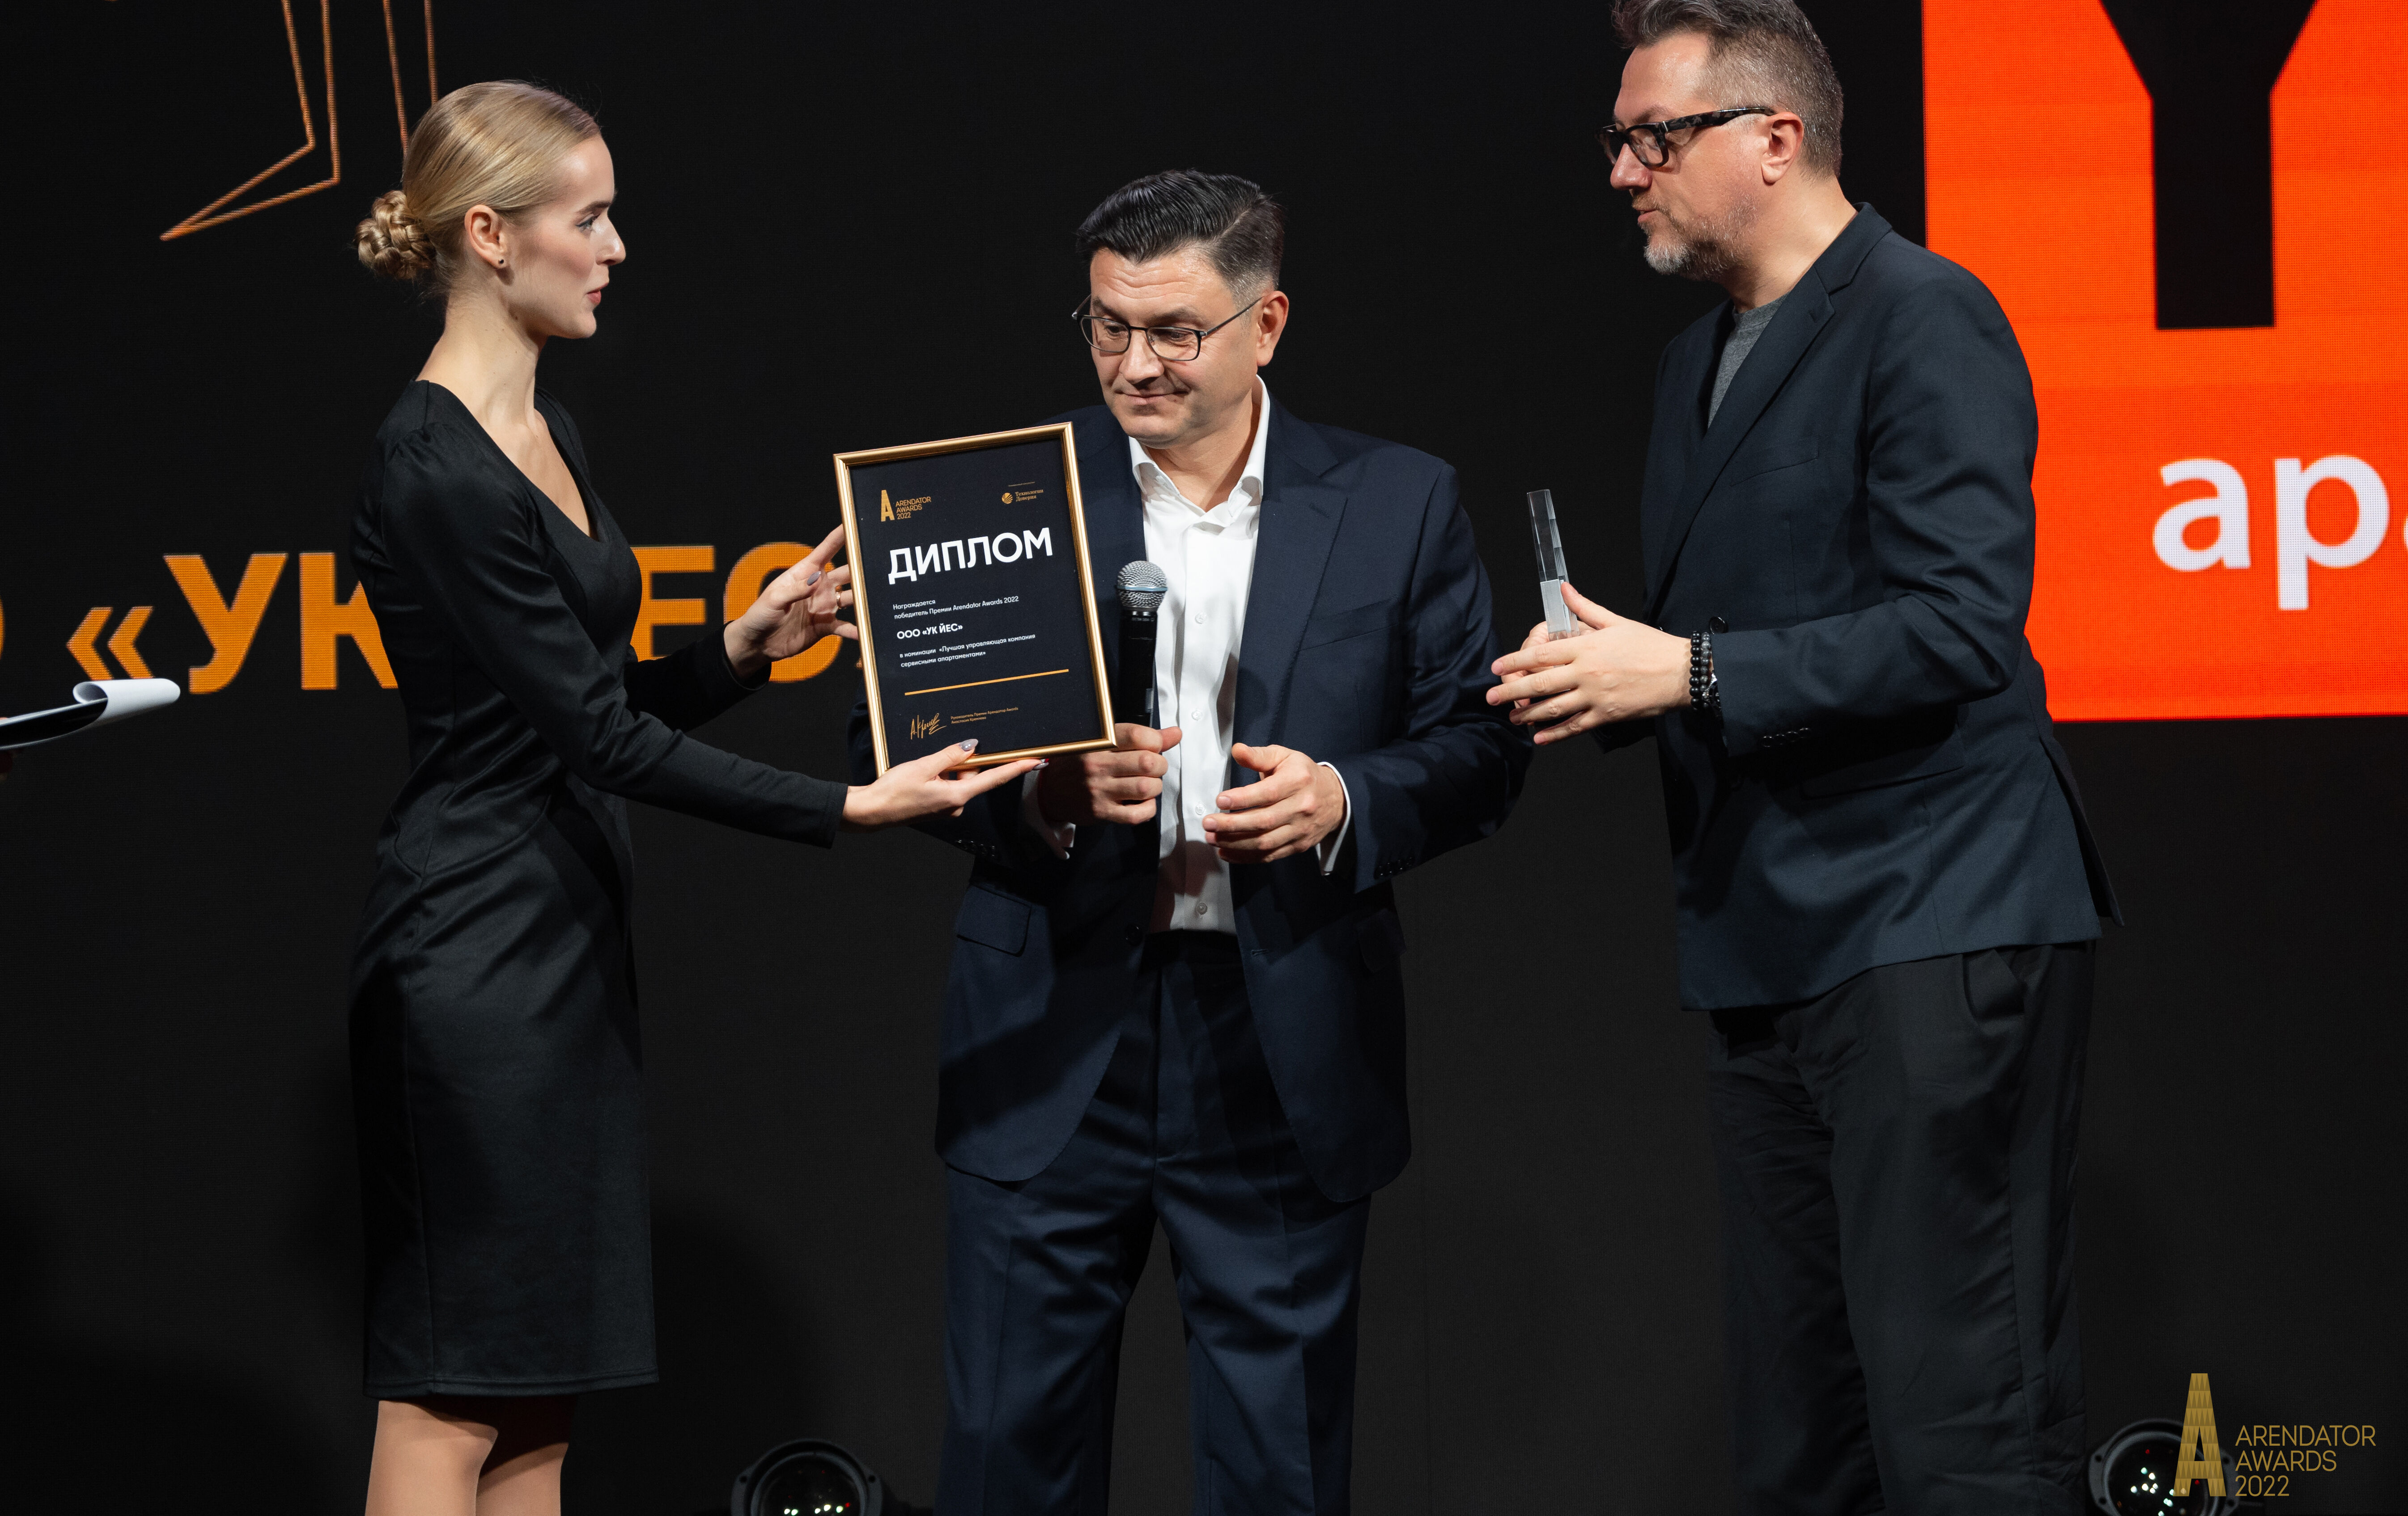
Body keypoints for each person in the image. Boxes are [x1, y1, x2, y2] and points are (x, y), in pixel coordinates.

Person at [346, 80, 1036, 1516]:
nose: (615, 249)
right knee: (449, 1398)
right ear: (490, 235)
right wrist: (848, 807)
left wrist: (741, 648)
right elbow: (595, 741)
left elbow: (575, 709)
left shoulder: (550, 429)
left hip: (562, 944)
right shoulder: (433, 467)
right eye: (588, 218)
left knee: (538, 1407)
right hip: (474, 954)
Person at [1488, 0, 2121, 1516]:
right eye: (1618, 140)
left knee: (1960, 1426)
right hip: (1769, 946)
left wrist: (1690, 670)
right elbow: (1740, 640)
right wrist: (1617, 675)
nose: (1622, 170)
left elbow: (1961, 625)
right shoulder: (1693, 364)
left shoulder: (1924, 312)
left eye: (1655, 137)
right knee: (1802, 1440)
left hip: (1931, 919)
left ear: (1775, 138)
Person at [850, 170, 1529, 1513]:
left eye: (1175, 332)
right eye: (1108, 327)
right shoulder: (1004, 498)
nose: (1136, 364)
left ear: (1266, 324)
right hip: (1051, 1037)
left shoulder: (1398, 501)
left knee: (1279, 1470)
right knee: (1006, 1464)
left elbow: (1480, 747)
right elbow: (913, 753)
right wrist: (1042, 797)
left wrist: (1346, 798)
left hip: (1279, 1040)